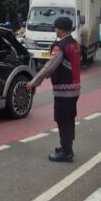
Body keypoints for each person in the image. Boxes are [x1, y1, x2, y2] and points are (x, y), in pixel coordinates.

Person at [25, 15, 80, 163]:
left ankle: (66, 153)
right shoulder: (75, 44)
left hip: (64, 90)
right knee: (69, 119)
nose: (55, 30)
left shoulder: (61, 46)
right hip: (74, 88)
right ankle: (66, 147)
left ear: (60, 30)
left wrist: (33, 82)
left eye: (56, 28)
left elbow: (49, 67)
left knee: (63, 120)